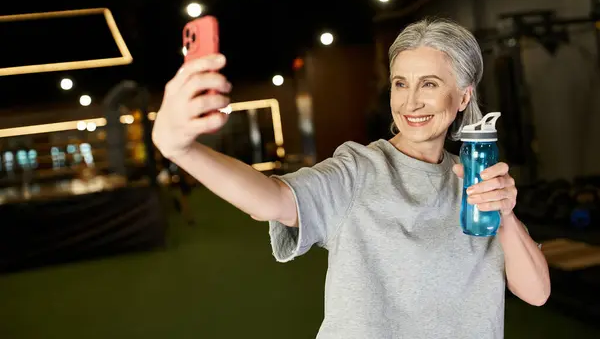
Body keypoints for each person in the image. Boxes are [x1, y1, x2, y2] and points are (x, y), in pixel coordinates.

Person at [151, 17, 551, 338]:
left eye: (429, 84)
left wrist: (505, 217)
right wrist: (182, 150)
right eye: (400, 84)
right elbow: (273, 199)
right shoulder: (359, 169)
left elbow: (536, 293)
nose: (410, 101)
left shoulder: (473, 179)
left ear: (463, 96)